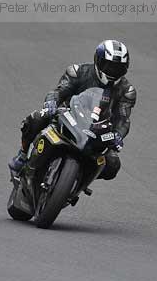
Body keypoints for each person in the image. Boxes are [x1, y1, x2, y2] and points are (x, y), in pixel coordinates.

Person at [9, 40, 136, 180]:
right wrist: (51, 103)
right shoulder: (78, 72)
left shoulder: (126, 91)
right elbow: (59, 91)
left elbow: (123, 119)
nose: (112, 71)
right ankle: (22, 156)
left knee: (113, 165)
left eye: (118, 68)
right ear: (97, 61)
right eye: (108, 66)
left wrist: (118, 135)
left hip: (98, 131)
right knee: (37, 118)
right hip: (68, 117)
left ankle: (78, 180)